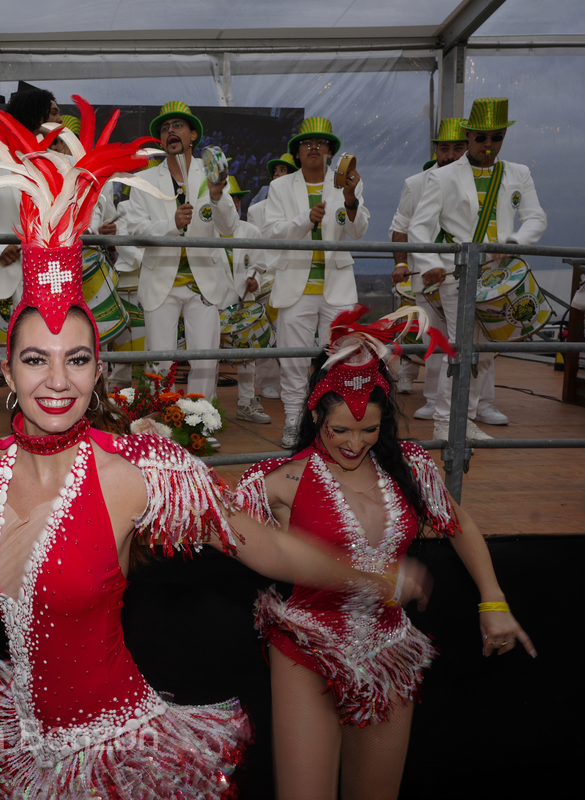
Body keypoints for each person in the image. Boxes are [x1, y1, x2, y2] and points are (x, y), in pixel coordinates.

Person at [0, 99, 424, 800]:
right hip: (23, 736)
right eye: (35, 360)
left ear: (100, 369)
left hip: (112, 748)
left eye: (77, 360)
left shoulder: (136, 473)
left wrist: (369, 578)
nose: (57, 381)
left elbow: (264, 547)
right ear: (5, 372)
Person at [233, 307, 534, 800]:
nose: (355, 444)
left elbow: (459, 526)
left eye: (369, 431)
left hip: (389, 651)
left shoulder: (409, 467)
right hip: (306, 650)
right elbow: (217, 523)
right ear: (314, 417)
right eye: (340, 431)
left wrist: (493, 600)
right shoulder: (281, 479)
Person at [409, 98, 546, 442]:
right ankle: (444, 422)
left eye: (496, 138)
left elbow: (536, 217)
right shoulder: (441, 177)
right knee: (461, 348)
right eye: (482, 138)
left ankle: (464, 419)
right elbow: (418, 229)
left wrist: (513, 242)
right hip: (457, 276)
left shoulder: (519, 173)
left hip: (500, 279)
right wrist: (431, 266)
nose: (488, 146)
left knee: (483, 352)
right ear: (468, 135)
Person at [124, 101, 236, 448]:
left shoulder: (212, 174)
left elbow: (230, 226)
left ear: (193, 136)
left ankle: (200, 427)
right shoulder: (144, 180)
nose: (170, 131)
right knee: (159, 359)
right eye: (164, 128)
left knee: (205, 357)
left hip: (205, 281)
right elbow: (135, 230)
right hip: (161, 282)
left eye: (178, 126)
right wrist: (170, 224)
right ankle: (158, 429)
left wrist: (217, 196)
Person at [263, 117, 369, 448]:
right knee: (293, 359)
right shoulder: (280, 186)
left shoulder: (346, 185)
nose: (313, 148)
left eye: (320, 144)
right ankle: (295, 419)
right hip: (295, 288)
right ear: (296, 152)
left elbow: (359, 231)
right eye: (306, 143)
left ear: (330, 152)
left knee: (340, 357)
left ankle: (332, 422)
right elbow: (271, 233)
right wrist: (304, 220)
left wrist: (351, 200)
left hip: (337, 287)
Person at [0, 87, 59, 401]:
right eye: (52, 114)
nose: (59, 121)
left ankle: (39, 398)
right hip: (6, 272)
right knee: (7, 342)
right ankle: (8, 395)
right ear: (38, 120)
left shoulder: (58, 165)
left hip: (48, 274)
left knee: (46, 343)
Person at [388, 119, 465, 415]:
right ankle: (434, 399)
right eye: (445, 148)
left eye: (458, 148)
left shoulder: (477, 181)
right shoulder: (415, 183)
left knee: (474, 341)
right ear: (435, 150)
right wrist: (401, 263)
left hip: (469, 276)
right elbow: (401, 227)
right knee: (435, 338)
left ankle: (482, 404)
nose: (451, 155)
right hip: (427, 277)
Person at [212, 176, 273, 425]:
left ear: (238, 202)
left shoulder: (251, 231)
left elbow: (260, 265)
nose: (232, 203)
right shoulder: (206, 229)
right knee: (209, 356)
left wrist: (253, 278)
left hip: (242, 303)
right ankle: (209, 409)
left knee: (248, 354)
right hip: (212, 302)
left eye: (235, 199)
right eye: (228, 198)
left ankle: (246, 404)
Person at [246, 153, 296, 401]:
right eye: (276, 170)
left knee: (293, 337)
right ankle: (267, 381)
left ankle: (294, 384)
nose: (278, 174)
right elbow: (256, 249)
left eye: (284, 170)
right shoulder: (256, 210)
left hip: (295, 277)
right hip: (267, 280)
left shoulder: (303, 207)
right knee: (265, 334)